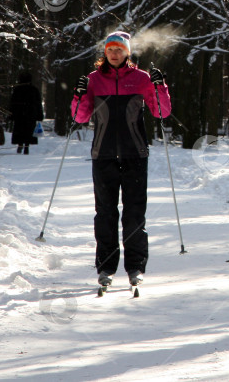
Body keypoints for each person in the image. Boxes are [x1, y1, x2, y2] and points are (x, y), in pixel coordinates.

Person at [71, 31, 171, 289]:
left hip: (135, 154)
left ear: (127, 52)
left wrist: (160, 87)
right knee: (105, 213)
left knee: (134, 212)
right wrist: (79, 95)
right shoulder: (93, 80)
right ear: (105, 52)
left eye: (119, 49)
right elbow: (80, 117)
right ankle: (106, 267)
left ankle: (135, 266)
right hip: (103, 154)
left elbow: (161, 112)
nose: (114, 54)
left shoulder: (141, 78)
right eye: (110, 50)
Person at [9, 71, 44, 155]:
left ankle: (20, 143)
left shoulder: (17, 90)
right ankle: (26, 147)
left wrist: (11, 114)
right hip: (30, 114)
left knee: (20, 130)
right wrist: (39, 115)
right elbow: (38, 103)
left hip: (19, 114)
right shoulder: (34, 90)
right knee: (29, 131)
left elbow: (12, 103)